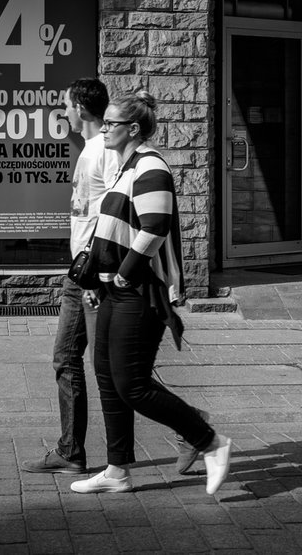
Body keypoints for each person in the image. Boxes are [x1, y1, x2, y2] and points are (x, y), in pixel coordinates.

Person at [69, 91, 232, 495]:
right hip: (111, 291)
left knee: (132, 385)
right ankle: (117, 471)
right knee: (108, 378)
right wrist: (95, 279)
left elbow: (155, 227)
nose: (103, 128)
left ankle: (210, 441)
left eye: (111, 123)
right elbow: (109, 228)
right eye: (104, 122)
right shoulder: (125, 167)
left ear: (133, 129)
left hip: (140, 293)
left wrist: (125, 274)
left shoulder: (151, 167)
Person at [20, 79, 118, 474]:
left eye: (65, 105)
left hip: (89, 272)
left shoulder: (101, 152)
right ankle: (71, 451)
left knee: (90, 362)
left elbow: (113, 213)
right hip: (84, 270)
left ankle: (190, 429)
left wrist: (95, 273)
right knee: (87, 361)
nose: (63, 112)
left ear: (79, 107)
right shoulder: (94, 150)